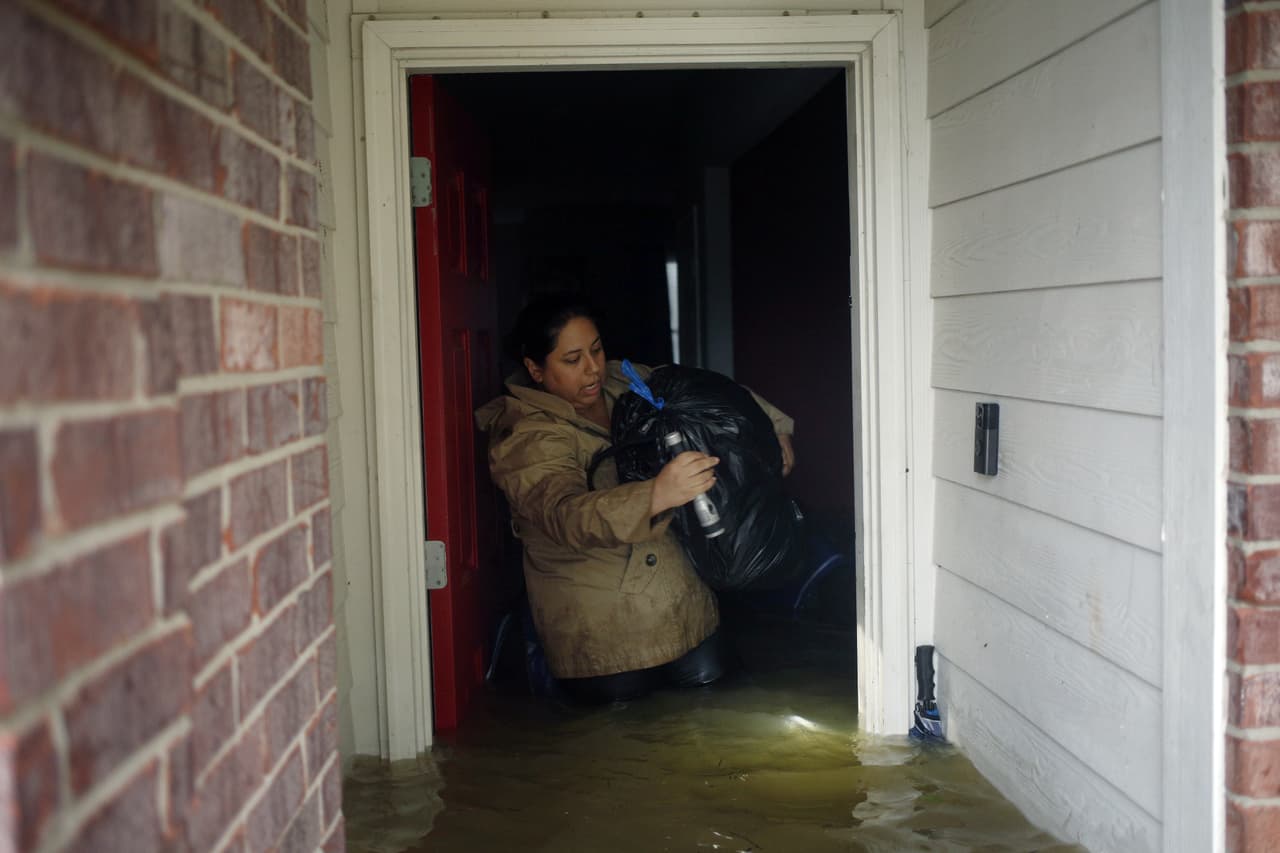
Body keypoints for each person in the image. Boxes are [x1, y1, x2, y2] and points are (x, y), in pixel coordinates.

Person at [475, 293, 795, 704]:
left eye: (596, 349)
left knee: (725, 721)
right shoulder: (525, 437)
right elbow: (564, 515)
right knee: (626, 751)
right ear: (535, 368)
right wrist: (657, 493)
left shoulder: (625, 381)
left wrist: (774, 425)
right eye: (572, 360)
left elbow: (707, 393)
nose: (592, 369)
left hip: (684, 611)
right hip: (604, 635)